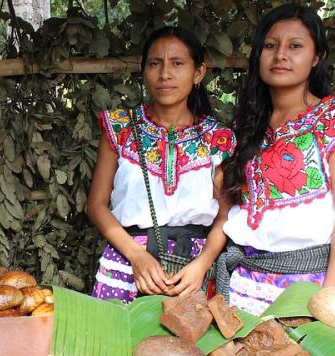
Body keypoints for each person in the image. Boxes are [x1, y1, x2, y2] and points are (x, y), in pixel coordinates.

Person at [218, 4, 335, 315]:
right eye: (271, 45)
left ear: (317, 57)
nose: (280, 56)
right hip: (243, 285)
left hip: (309, 287)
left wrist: (328, 298)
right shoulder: (247, 127)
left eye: (295, 46)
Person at [87, 26, 236, 303]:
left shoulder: (217, 138)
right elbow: (96, 205)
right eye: (155, 63)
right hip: (127, 264)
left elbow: (225, 216)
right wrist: (136, 256)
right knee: (118, 345)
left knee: (192, 347)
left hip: (192, 273)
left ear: (198, 73)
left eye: (177, 63)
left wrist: (202, 265)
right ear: (144, 71)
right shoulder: (120, 128)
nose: (165, 73)